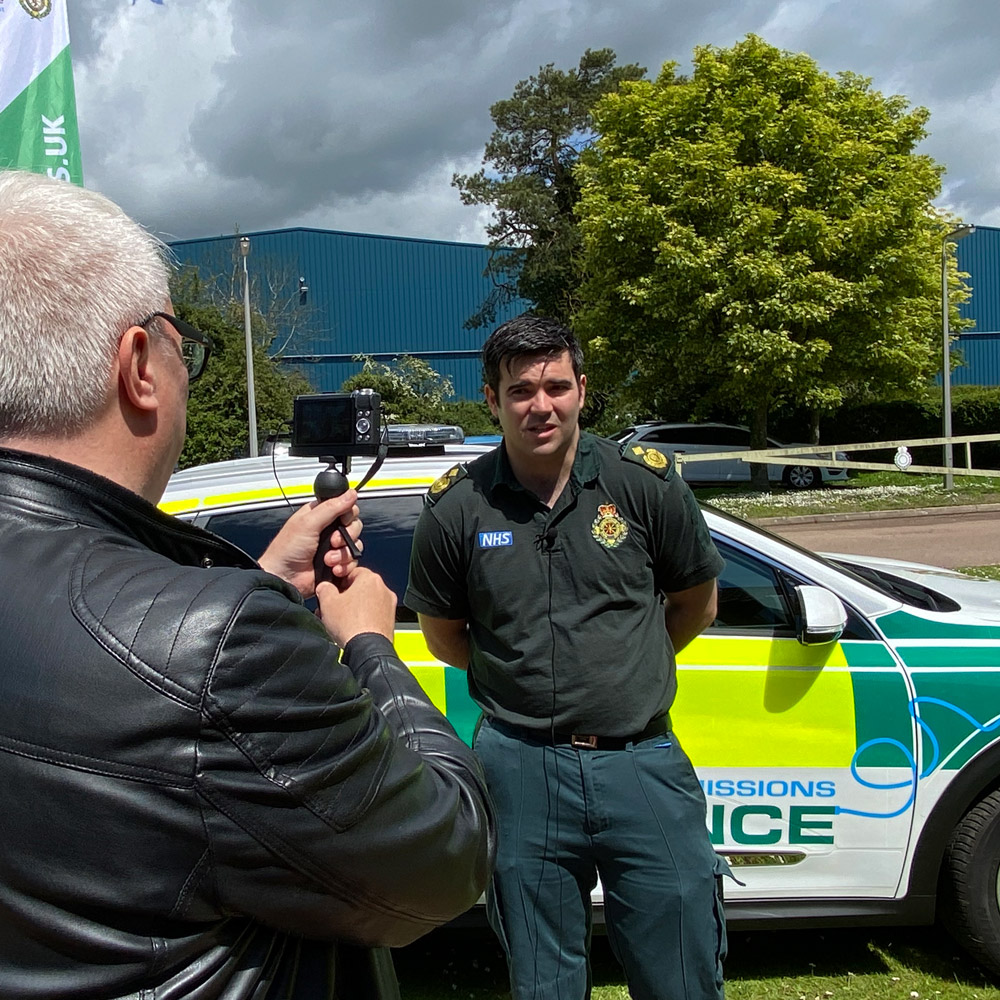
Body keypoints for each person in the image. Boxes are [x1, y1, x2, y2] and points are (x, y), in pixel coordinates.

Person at [0, 169, 494, 1000]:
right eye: (178, 340)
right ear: (138, 365)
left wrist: (256, 581)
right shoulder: (215, 647)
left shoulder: (196, 634)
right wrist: (371, 641)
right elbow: (443, 858)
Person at [406, 314, 728, 1000]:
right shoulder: (457, 507)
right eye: (520, 391)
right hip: (520, 768)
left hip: (640, 762)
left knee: (682, 968)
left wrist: (624, 667)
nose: (540, 406)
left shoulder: (645, 485)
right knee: (543, 981)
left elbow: (696, 603)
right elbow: (444, 635)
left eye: (555, 386)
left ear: (582, 389)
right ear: (491, 401)